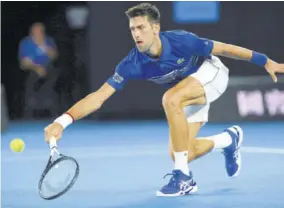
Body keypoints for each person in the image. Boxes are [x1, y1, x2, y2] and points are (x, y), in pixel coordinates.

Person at [44, 3, 284, 197]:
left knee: (170, 99)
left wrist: (264, 61)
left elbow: (225, 49)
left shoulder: (182, 41)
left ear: (155, 28)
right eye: (132, 29)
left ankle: (183, 178)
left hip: (212, 74)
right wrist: (62, 121)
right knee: (182, 151)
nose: (136, 34)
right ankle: (228, 139)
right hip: (187, 92)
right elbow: (99, 97)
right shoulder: (132, 63)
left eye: (141, 27)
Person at [19, 22, 58, 118]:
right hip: (31, 69)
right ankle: (30, 110)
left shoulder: (48, 41)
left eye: (40, 31)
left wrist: (46, 49)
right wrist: (37, 68)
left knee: (54, 74)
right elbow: (24, 62)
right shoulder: (26, 43)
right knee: (32, 77)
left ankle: (50, 105)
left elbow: (54, 56)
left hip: (47, 68)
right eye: (36, 31)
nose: (38, 33)